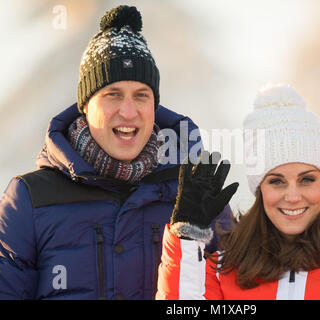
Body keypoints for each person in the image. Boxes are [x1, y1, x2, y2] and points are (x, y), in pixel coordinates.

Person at [0, 5, 232, 300]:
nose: (128, 111)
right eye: (113, 95)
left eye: (141, 96)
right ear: (85, 106)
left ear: (154, 106)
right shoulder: (30, 200)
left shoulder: (196, 197)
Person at [156, 84, 320, 300]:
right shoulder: (225, 269)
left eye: (307, 180)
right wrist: (187, 239)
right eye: (277, 181)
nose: (292, 196)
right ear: (260, 189)